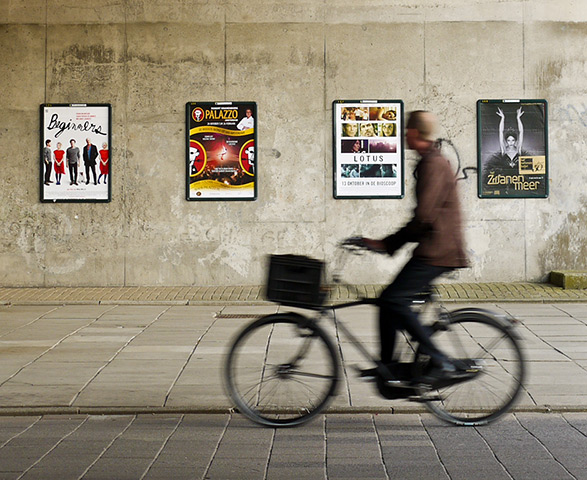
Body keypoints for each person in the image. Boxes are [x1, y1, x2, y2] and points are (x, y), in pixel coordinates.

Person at [360, 111, 469, 384]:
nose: (403, 135)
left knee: (394, 299)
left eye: (406, 130)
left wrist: (388, 243)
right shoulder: (430, 161)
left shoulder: (434, 164)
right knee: (388, 301)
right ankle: (388, 368)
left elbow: (423, 217)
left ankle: (440, 361)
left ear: (415, 134)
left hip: (439, 252)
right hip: (434, 249)